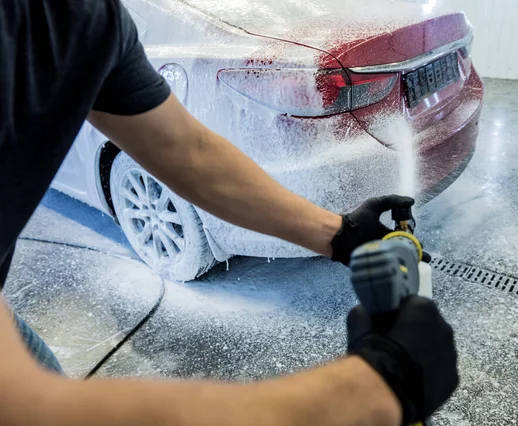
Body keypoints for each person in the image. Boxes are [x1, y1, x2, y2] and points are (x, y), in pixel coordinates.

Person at [0, 1, 459, 425]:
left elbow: (188, 152)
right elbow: (28, 407)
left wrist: (336, 232)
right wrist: (367, 392)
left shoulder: (79, 16)